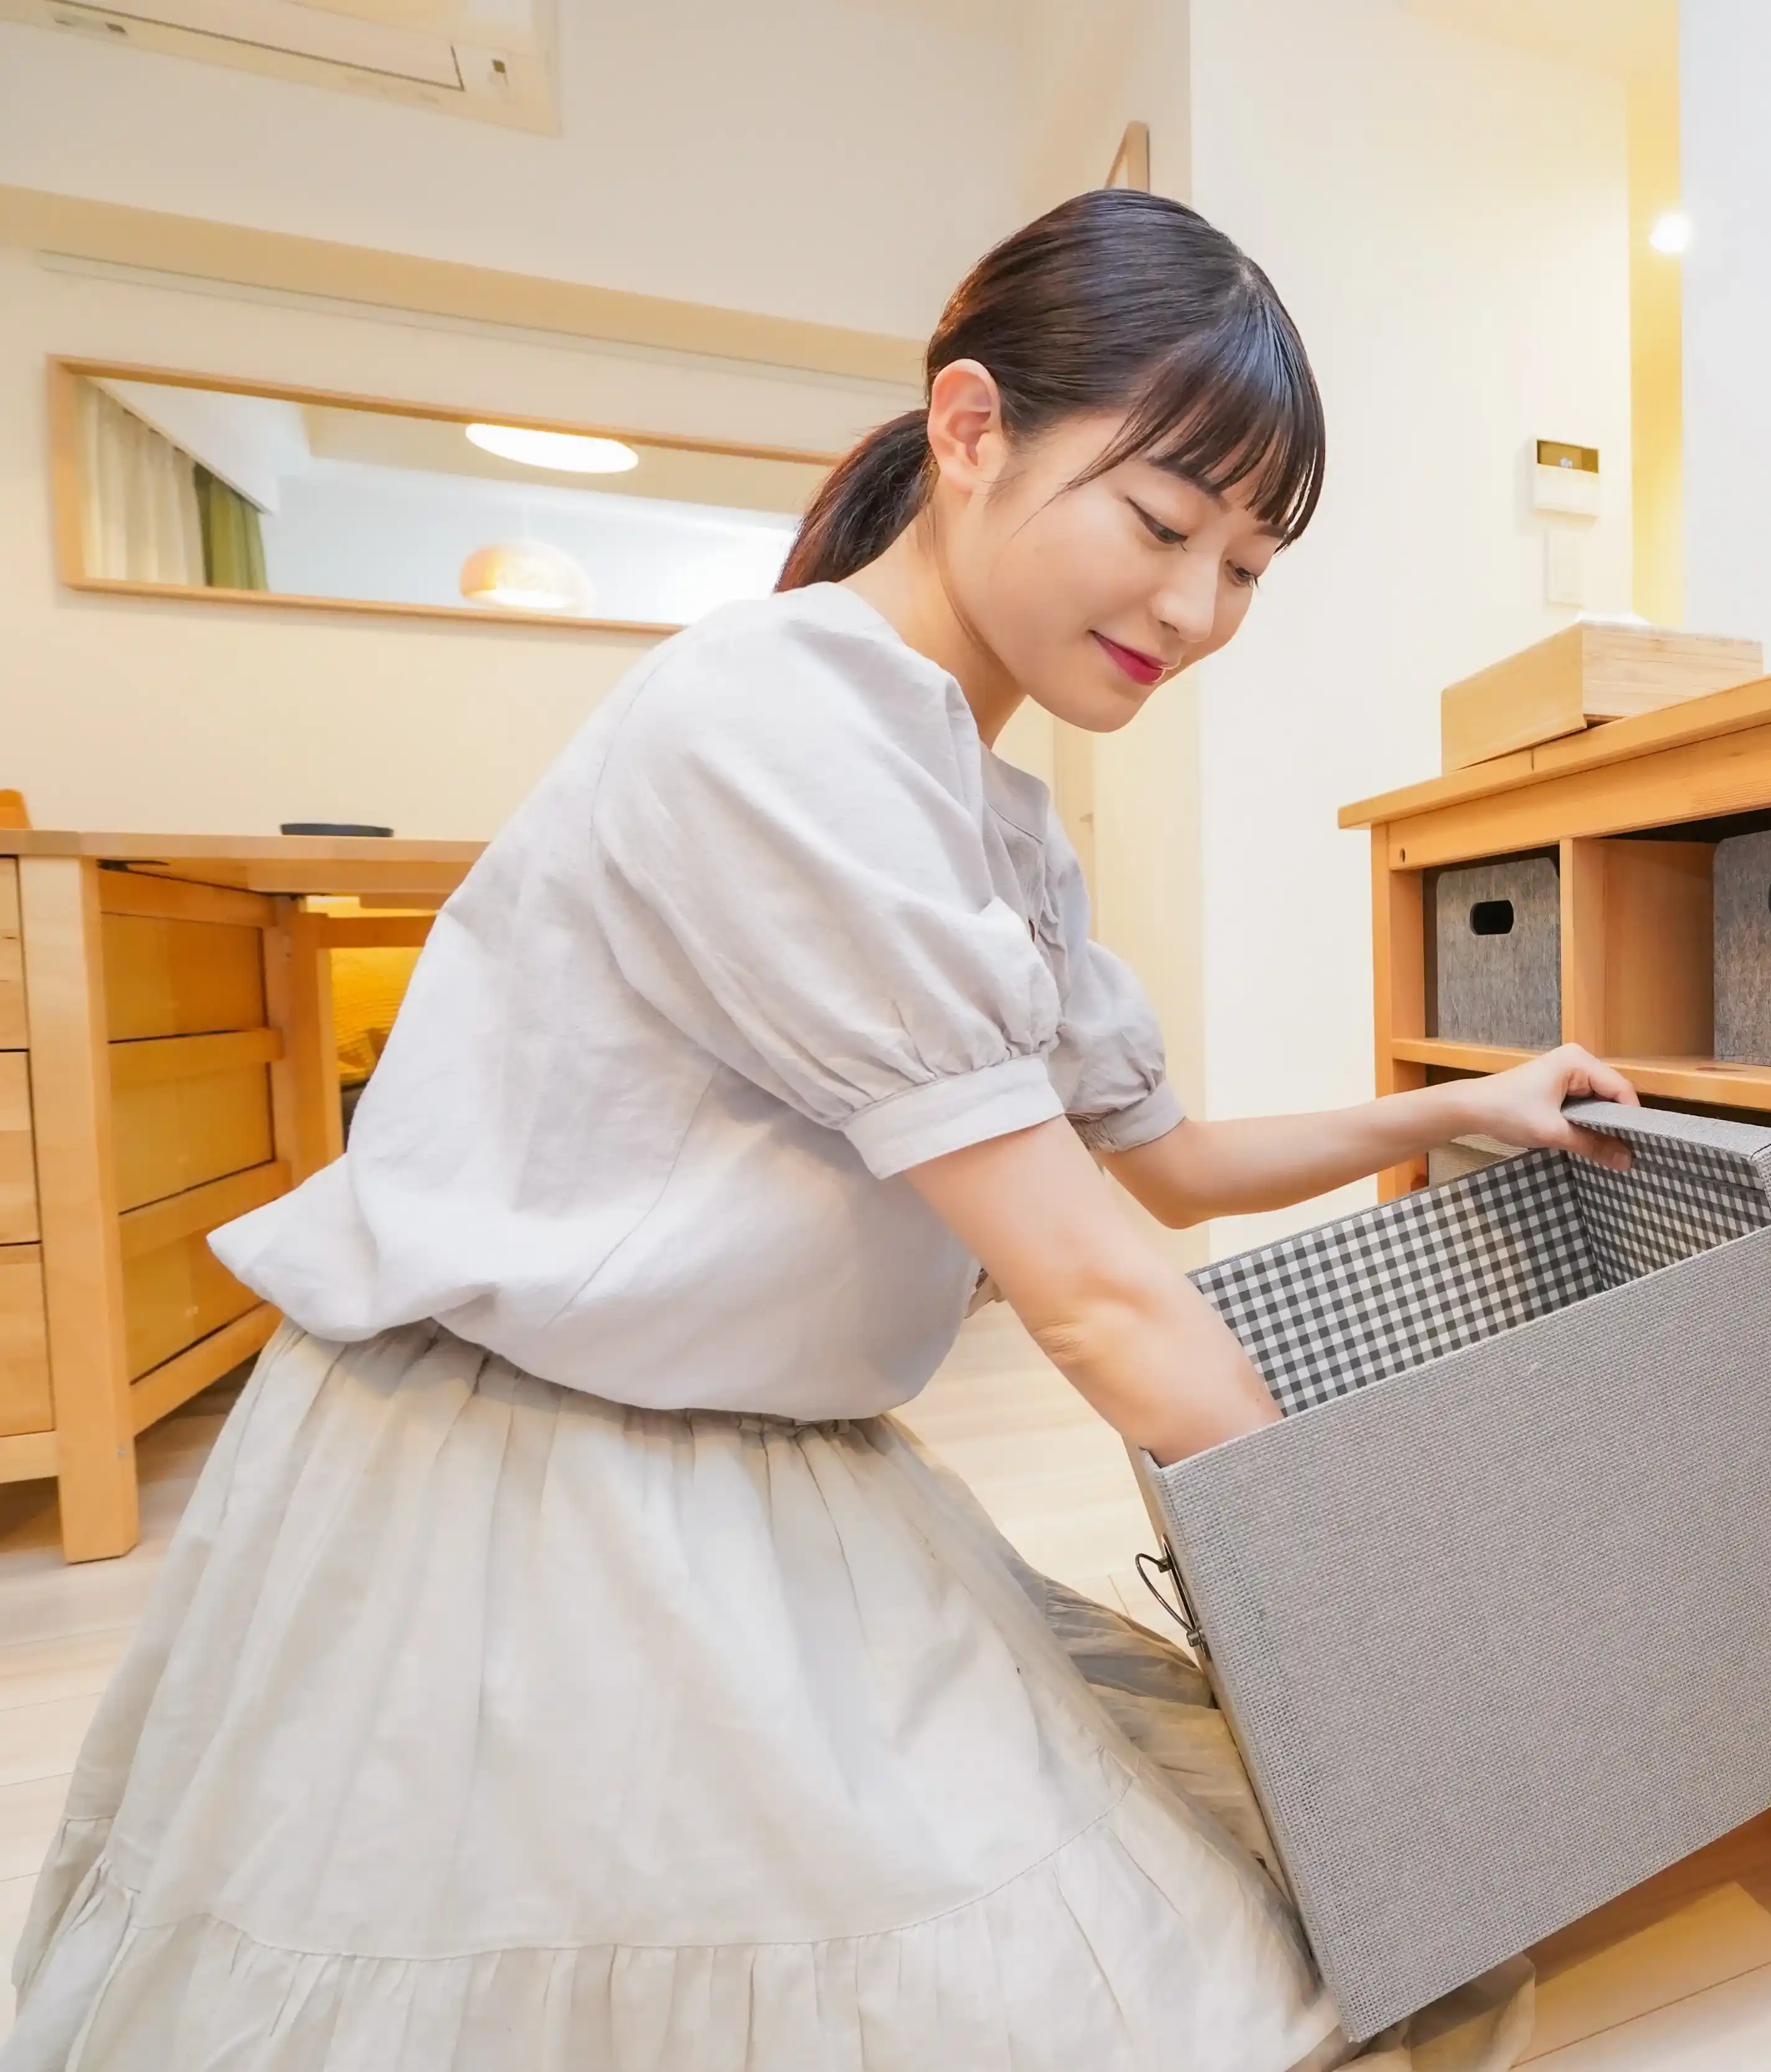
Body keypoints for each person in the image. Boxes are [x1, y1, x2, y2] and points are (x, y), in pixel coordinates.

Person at [3, 189, 1634, 2072]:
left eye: (1250, 566)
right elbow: (1099, 1293)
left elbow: (1161, 1163)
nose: (1196, 611)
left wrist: (1460, 1106)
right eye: (1164, 522)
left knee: (1141, 1900)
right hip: (538, 1469)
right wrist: (1371, 1610)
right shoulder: (773, 723)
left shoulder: (995, 818)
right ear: (969, 433)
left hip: (772, 1456)